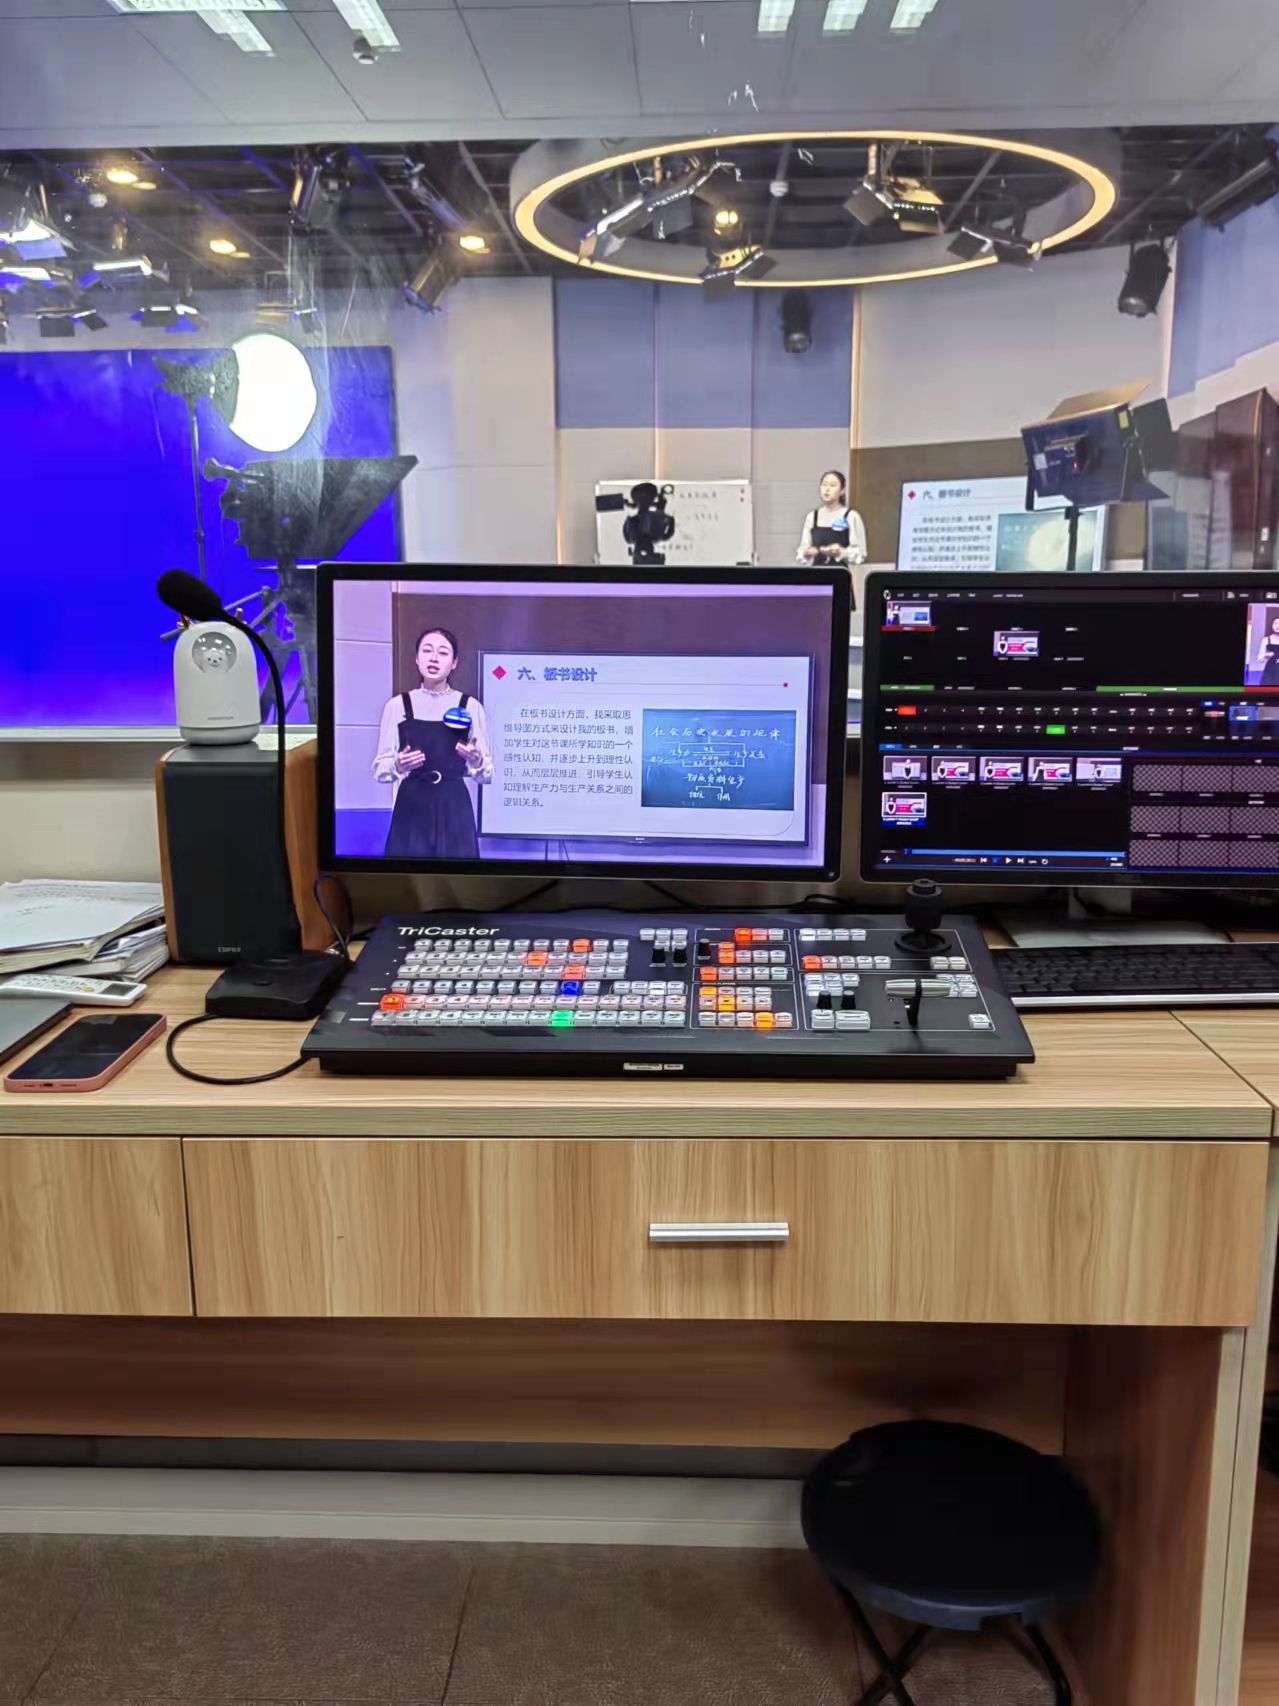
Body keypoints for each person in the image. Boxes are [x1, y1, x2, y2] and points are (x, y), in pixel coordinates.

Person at [373, 626, 492, 859]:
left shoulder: (470, 706)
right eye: (427, 651)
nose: (434, 658)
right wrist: (397, 765)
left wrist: (477, 761)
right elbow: (379, 770)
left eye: (443, 652)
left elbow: (486, 775)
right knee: (408, 875)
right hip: (412, 804)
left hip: (454, 804)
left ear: (454, 663)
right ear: (417, 658)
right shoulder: (397, 705)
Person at [796, 470, 867, 571]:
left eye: (832, 485)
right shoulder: (812, 516)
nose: (827, 489)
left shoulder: (851, 516)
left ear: (842, 490)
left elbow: (860, 553)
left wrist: (841, 552)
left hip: (840, 574)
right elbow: (803, 547)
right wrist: (807, 552)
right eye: (824, 485)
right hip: (815, 573)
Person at [1260, 613, 1279, 687]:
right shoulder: (1266, 639)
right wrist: (1265, 655)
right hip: (1270, 671)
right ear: (1272, 625)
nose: (1278, 626)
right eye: (1276, 623)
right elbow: (1260, 659)